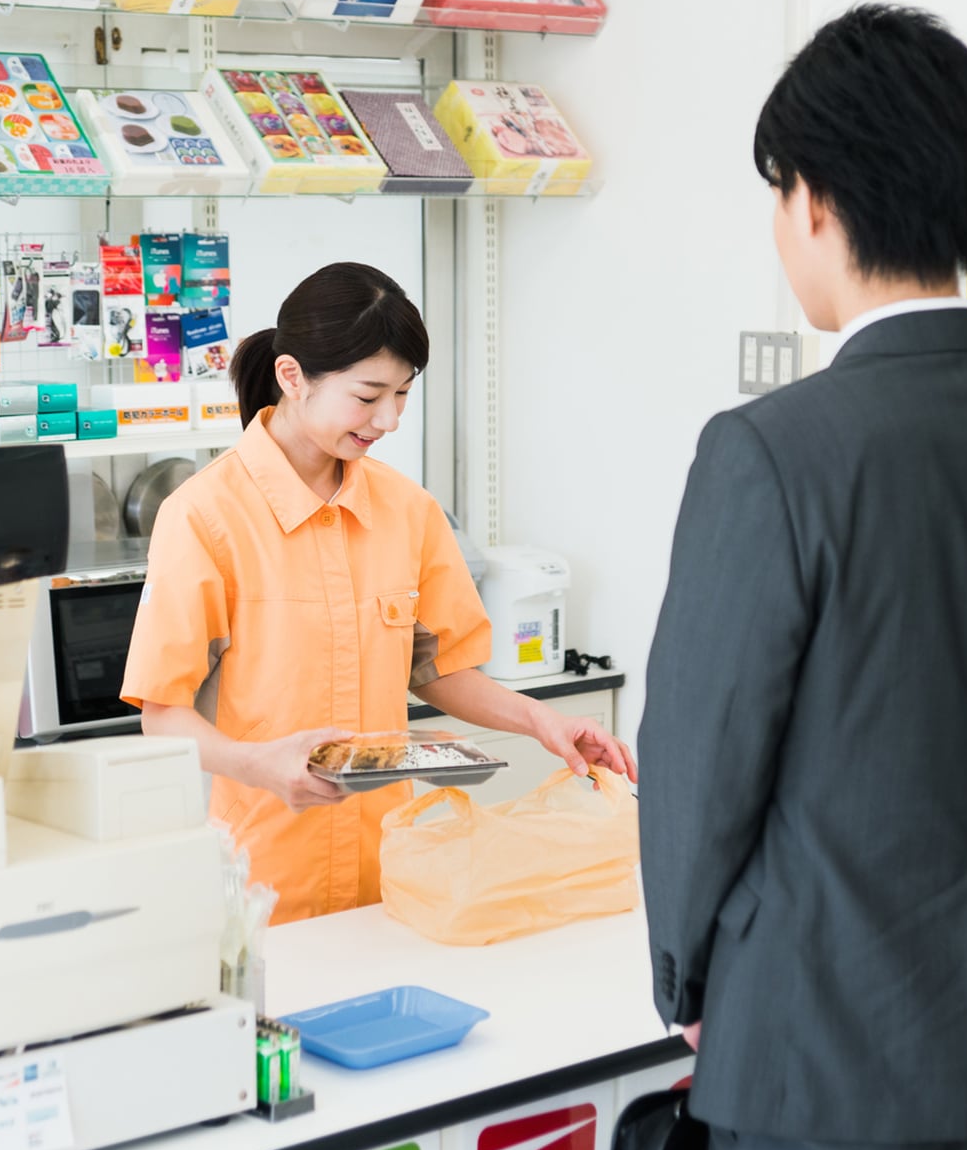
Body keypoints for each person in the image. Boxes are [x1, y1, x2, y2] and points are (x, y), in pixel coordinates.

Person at [637, 5, 967, 1150]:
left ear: (816, 200)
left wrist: (685, 970)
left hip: (816, 1044)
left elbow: (701, 758)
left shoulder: (773, 450)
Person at [123, 263, 634, 924]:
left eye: (402, 394)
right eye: (368, 396)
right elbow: (162, 714)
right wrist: (258, 764)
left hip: (392, 875)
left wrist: (544, 721)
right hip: (264, 885)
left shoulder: (407, 511)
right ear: (291, 377)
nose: (388, 419)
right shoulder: (204, 516)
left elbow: (439, 669)